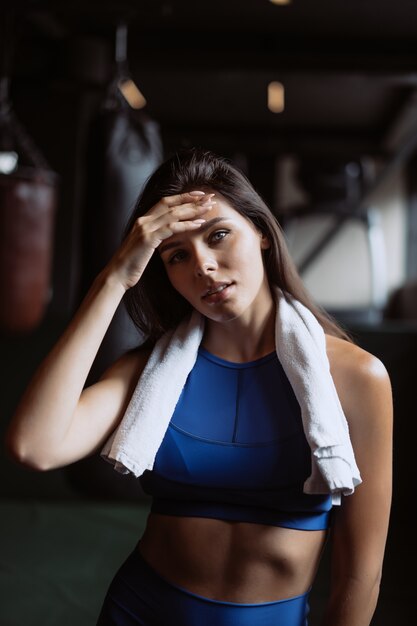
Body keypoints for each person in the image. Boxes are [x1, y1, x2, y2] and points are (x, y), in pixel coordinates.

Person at [6, 148, 393, 626]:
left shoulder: (357, 378)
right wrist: (114, 278)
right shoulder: (147, 373)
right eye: (177, 256)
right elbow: (34, 446)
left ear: (262, 234)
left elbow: (360, 577)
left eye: (219, 235)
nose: (204, 266)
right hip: (139, 611)